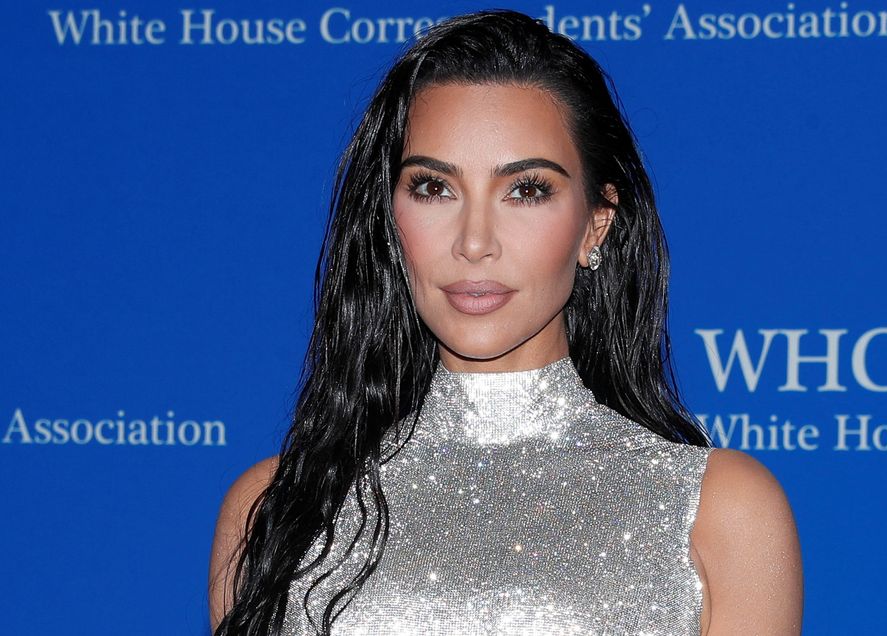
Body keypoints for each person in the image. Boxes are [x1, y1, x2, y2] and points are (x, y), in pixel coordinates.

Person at [208, 9, 803, 636]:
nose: (474, 242)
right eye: (433, 188)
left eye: (526, 190)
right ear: (389, 218)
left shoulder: (717, 510)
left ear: (595, 224)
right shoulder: (274, 508)